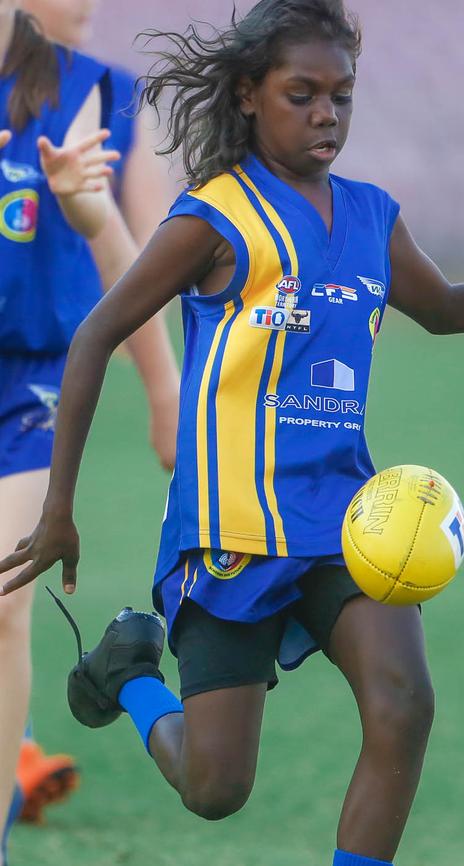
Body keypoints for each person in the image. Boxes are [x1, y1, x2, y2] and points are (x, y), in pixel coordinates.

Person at [2, 3, 464, 865]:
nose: (325, 114)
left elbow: (447, 307)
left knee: (403, 703)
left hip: (349, 524)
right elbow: (95, 336)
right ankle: (132, 680)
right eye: (300, 94)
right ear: (246, 97)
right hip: (229, 531)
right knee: (215, 789)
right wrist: (59, 511)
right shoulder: (216, 215)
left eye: (340, 96)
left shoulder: (372, 216)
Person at [0, 4, 178, 860]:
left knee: (3, 602)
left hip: (27, 381)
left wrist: (166, 386)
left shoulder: (92, 93)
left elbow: (141, 256)